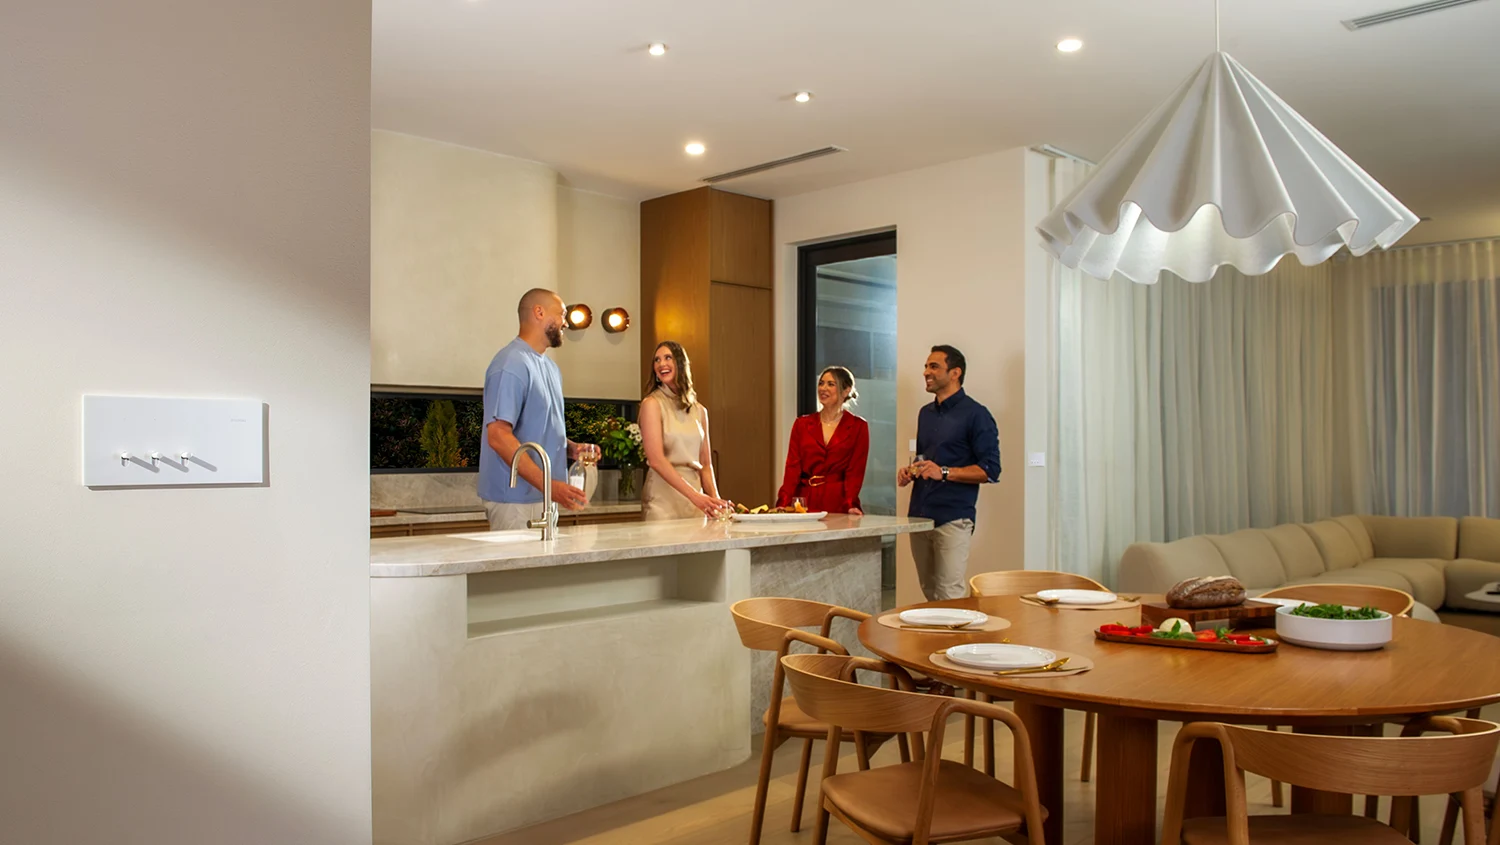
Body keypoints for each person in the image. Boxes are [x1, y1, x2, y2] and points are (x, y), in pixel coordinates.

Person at [478, 288, 600, 531]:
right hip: (514, 501)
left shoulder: (551, 368)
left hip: (544, 498)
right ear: (539, 312)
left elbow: (538, 429)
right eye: (562, 314)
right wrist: (550, 486)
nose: (565, 322)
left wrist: (571, 448)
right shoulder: (510, 364)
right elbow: (499, 436)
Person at [897, 345, 1001, 601]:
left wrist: (943, 472)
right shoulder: (925, 413)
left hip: (953, 517)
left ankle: (956, 642)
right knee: (930, 592)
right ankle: (936, 643)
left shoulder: (977, 414)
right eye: (926, 366)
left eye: (934, 367)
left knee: (949, 594)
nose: (926, 372)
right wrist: (911, 471)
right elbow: (925, 459)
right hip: (919, 515)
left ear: (955, 373)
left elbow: (990, 470)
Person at [638, 341, 733, 520]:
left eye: (668, 358)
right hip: (662, 501)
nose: (661, 364)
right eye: (657, 360)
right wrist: (696, 497)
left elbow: (706, 465)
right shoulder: (651, 404)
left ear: (681, 363)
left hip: (696, 503)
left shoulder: (699, 411)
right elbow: (656, 460)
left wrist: (715, 501)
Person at [776, 366, 869, 514]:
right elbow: (792, 468)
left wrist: (851, 503)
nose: (823, 388)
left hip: (838, 501)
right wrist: (784, 502)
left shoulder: (858, 426)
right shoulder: (802, 424)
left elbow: (855, 471)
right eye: (821, 383)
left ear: (846, 391)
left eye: (831, 384)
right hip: (804, 501)